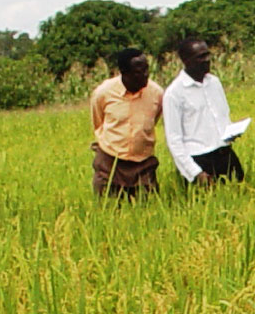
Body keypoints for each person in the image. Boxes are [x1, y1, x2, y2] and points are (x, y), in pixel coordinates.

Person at [162, 38, 246, 186]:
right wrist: (195, 172)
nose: (207, 60)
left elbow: (222, 117)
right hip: (199, 160)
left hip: (224, 155)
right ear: (186, 60)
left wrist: (231, 133)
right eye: (200, 57)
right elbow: (174, 140)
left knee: (239, 197)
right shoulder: (174, 93)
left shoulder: (214, 82)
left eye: (207, 55)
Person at [88, 46, 165, 199]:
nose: (145, 75)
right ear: (125, 73)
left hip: (143, 163)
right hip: (110, 162)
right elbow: (98, 121)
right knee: (107, 211)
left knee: (148, 209)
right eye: (138, 72)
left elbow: (153, 121)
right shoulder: (104, 92)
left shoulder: (157, 94)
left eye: (146, 70)